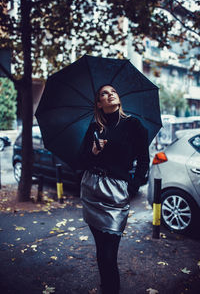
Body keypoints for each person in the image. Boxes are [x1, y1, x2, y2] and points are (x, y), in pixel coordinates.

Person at [78, 84, 149, 294]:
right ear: (99, 104)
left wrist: (133, 187)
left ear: (118, 98)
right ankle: (105, 287)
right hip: (92, 188)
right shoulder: (94, 128)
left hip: (117, 191)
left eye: (113, 92)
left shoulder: (133, 125)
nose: (110, 95)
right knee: (101, 250)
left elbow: (144, 160)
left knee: (110, 253)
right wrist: (92, 152)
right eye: (104, 94)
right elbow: (81, 161)